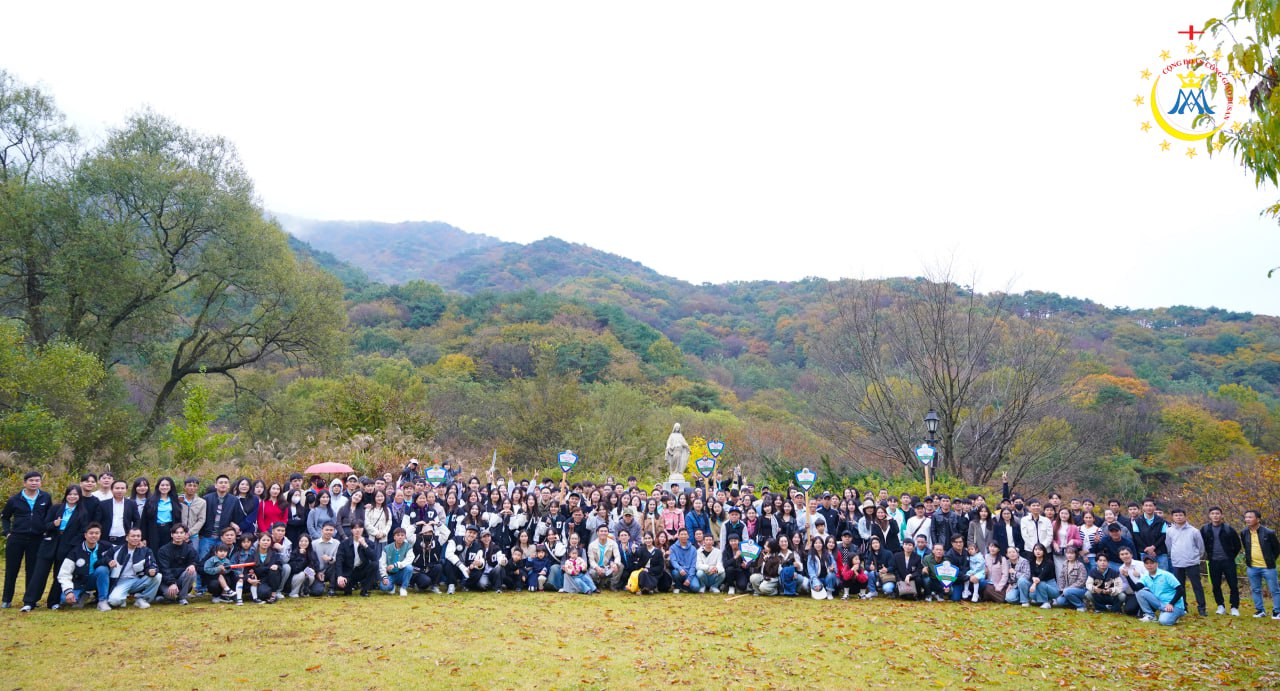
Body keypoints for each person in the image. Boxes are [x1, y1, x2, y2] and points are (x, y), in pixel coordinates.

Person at [34, 485, 92, 610]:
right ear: (66, 495)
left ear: (79, 496)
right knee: (40, 573)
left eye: (75, 494)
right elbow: (45, 525)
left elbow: (83, 532)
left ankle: (53, 602)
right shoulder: (56, 508)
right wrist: (54, 525)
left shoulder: (82, 512)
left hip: (68, 545)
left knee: (59, 574)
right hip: (51, 543)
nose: (72, 497)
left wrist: (72, 545)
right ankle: (30, 601)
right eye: (70, 494)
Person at [1, 471, 51, 611]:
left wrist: (46, 530)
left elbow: (48, 515)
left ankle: (30, 600)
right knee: (12, 570)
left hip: (37, 539)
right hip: (17, 538)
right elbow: (5, 517)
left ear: (41, 482)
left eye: (37, 480)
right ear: (25, 483)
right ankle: (6, 599)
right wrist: (7, 532)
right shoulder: (14, 499)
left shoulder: (45, 497)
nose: (34, 483)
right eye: (31, 480)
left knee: (32, 570)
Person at [57, 523, 114, 611]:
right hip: (79, 583)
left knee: (103, 569)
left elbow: (123, 548)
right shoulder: (75, 551)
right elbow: (64, 574)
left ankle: (102, 601)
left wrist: (138, 544)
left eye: (97, 533)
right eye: (91, 533)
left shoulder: (106, 546)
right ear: (85, 535)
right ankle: (84, 595)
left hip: (95, 579)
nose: (94, 535)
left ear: (100, 535)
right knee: (65, 600)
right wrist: (68, 591)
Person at [1165, 508, 1207, 616]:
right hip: (1177, 562)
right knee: (1180, 586)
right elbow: (1169, 546)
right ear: (1172, 517)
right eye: (1176, 515)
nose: (1178, 517)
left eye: (1180, 515)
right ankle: (1183, 607)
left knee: (1196, 586)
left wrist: (1195, 557)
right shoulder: (1169, 530)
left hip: (1192, 562)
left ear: (1185, 516)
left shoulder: (1194, 531)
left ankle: (1202, 608)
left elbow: (1201, 547)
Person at [1200, 506, 1241, 616]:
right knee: (1216, 585)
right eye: (1213, 513)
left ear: (1221, 515)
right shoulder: (1205, 529)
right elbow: (1200, 544)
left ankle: (1234, 607)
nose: (1215, 515)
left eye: (1217, 513)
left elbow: (1237, 545)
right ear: (1209, 516)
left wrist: (1231, 556)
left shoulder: (1228, 529)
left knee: (1233, 584)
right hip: (1213, 561)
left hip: (1228, 561)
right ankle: (1220, 606)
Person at [107, 527, 161, 609]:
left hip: (137, 580)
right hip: (121, 581)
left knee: (158, 576)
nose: (136, 538)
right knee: (114, 601)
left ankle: (142, 599)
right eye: (133, 536)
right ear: (127, 537)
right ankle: (122, 599)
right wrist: (109, 561)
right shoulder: (116, 549)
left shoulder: (146, 550)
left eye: (138, 536)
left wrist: (152, 569)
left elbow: (152, 564)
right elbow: (105, 558)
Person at [1241, 509, 1280, 619]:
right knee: (1255, 589)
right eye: (1246, 517)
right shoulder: (1244, 532)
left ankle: (1277, 611)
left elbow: (1277, 549)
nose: (1247, 519)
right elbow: (1245, 546)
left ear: (1258, 519)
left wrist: (1270, 560)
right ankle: (1260, 610)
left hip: (1268, 567)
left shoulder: (1269, 532)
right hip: (1252, 567)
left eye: (1250, 517)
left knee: (1275, 590)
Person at [1136, 554, 1186, 625]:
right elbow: (1136, 588)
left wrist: (1171, 604)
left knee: (1164, 621)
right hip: (1160, 603)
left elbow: (1180, 590)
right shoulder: (1146, 576)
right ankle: (1150, 616)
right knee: (1139, 592)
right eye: (1147, 563)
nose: (1149, 565)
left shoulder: (1166, 575)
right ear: (1144, 565)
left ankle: (1177, 614)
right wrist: (1127, 576)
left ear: (1157, 564)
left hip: (1174, 604)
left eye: (1152, 563)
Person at [157, 524, 199, 604]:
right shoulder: (163, 550)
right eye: (176, 533)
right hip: (166, 581)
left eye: (181, 533)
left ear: (185, 535)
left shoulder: (189, 549)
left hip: (181, 580)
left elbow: (195, 561)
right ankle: (165, 596)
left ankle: (182, 598)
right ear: (172, 535)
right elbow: (164, 569)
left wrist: (192, 565)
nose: (178, 535)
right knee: (170, 596)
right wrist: (172, 583)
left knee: (192, 571)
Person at [336, 521, 378, 597]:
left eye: (360, 528)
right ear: (351, 530)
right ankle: (349, 586)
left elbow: (374, 558)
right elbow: (339, 560)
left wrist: (365, 545)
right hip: (349, 572)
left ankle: (365, 590)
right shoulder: (344, 543)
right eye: (355, 528)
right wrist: (340, 576)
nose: (357, 530)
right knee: (345, 590)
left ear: (363, 529)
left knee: (374, 564)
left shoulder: (369, 543)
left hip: (362, 570)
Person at [380, 527, 414, 596]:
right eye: (398, 535)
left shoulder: (408, 547)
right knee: (384, 587)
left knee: (409, 568)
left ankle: (403, 588)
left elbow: (409, 559)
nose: (400, 537)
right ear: (394, 537)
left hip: (402, 573)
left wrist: (396, 565)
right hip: (390, 574)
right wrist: (384, 576)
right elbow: (382, 563)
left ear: (405, 537)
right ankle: (392, 586)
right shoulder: (387, 548)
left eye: (402, 535)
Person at [1052, 545, 1088, 611]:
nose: (1069, 555)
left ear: (1076, 554)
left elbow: (1082, 581)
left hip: (1080, 590)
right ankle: (1075, 603)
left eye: (1072, 553)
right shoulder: (1065, 564)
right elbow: (1061, 578)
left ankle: (1081, 606)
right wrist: (1062, 589)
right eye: (1068, 553)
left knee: (1067, 592)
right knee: (1060, 601)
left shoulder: (1080, 565)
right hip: (1067, 590)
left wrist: (1068, 589)